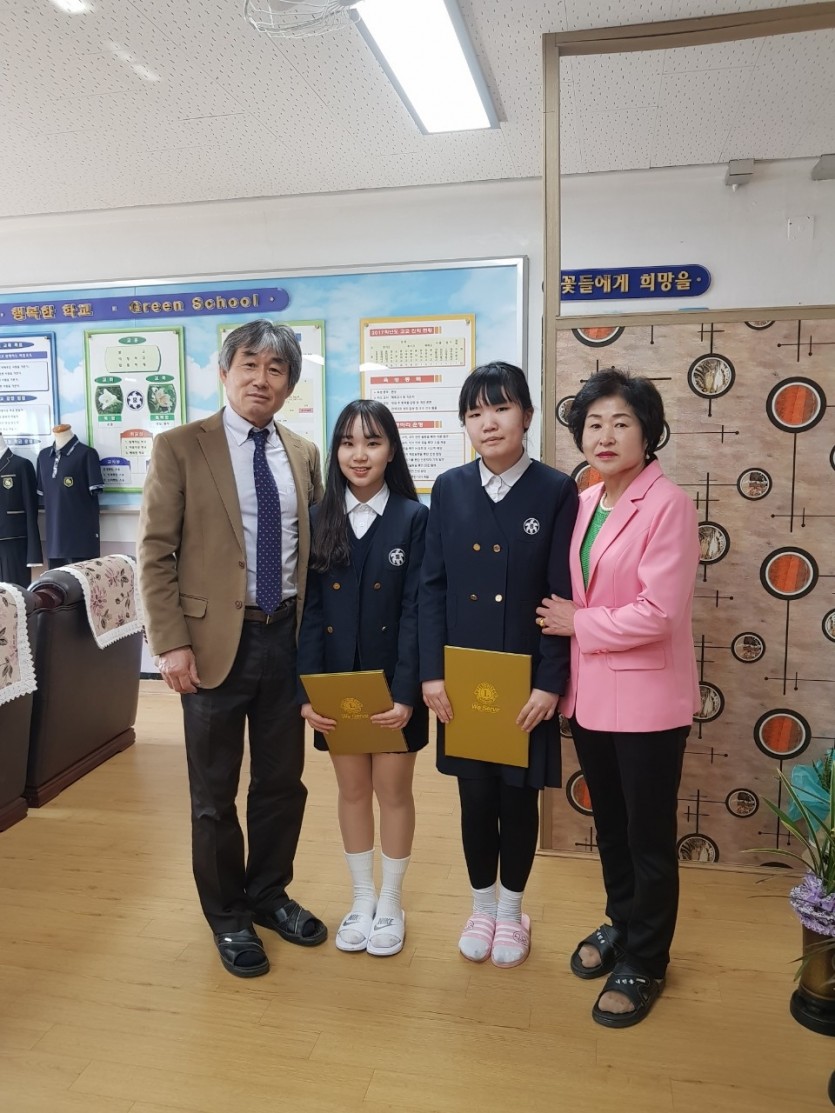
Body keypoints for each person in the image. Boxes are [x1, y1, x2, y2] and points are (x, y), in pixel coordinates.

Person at [137, 319, 327, 979]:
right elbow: (155, 553)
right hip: (214, 643)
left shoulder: (302, 452)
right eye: (249, 365)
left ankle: (269, 893)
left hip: (286, 640)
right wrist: (171, 643)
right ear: (224, 372)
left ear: (290, 384)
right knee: (213, 793)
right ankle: (227, 914)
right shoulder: (179, 447)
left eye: (276, 369)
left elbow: (315, 552)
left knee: (281, 784)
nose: (260, 379)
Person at [537, 367, 699, 1027]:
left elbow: (659, 612)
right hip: (591, 698)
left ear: (648, 432)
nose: (604, 435)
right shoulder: (583, 500)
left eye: (621, 422)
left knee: (647, 836)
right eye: (593, 423)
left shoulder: (668, 504)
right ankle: (622, 920)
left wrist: (579, 622)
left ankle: (647, 958)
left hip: (648, 702)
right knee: (609, 826)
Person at [420, 361, 578, 968]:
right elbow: (432, 588)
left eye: (501, 408)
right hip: (461, 681)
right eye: (475, 412)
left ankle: (512, 913)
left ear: (527, 416)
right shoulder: (449, 488)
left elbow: (562, 595)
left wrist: (550, 682)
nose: (488, 422)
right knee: (474, 798)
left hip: (524, 683)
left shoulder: (555, 490)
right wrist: (431, 672)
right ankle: (481, 907)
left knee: (518, 800)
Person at [298, 400, 428, 957]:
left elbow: (417, 612)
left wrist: (407, 693)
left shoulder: (414, 518)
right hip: (337, 690)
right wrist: (308, 692)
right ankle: (362, 898)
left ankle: (391, 902)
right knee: (351, 790)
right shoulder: (318, 517)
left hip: (395, 690)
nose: (359, 454)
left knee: (393, 792)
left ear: (391, 451)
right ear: (335, 452)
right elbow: (309, 612)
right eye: (348, 443)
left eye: (372, 442)